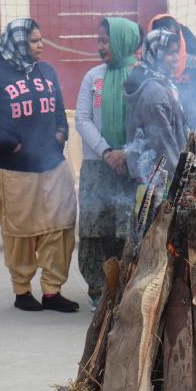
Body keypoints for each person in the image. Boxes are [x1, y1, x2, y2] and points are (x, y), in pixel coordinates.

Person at [0, 18, 78, 314]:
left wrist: (61, 134)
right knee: (20, 233)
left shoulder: (47, 71)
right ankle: (22, 289)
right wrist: (7, 141)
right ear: (18, 43)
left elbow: (58, 110)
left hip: (53, 164)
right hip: (15, 168)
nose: (40, 44)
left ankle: (52, 291)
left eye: (40, 39)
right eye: (33, 40)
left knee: (60, 226)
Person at [75, 17, 141, 309]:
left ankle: (126, 288)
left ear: (123, 41)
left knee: (126, 229)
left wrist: (126, 153)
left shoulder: (141, 77)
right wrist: (106, 152)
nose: (101, 46)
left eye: (106, 40)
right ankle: (98, 291)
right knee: (93, 230)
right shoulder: (93, 77)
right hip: (97, 165)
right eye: (99, 40)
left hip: (131, 167)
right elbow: (82, 119)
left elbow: (146, 122)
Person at [125, 28, 188, 180]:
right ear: (155, 54)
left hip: (152, 175)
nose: (176, 58)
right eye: (169, 53)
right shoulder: (155, 93)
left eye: (176, 52)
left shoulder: (162, 83)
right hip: (160, 179)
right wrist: (181, 178)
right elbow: (163, 145)